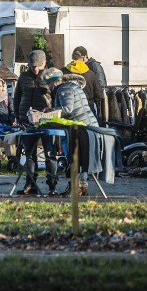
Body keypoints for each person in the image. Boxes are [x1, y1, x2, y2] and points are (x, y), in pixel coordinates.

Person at [42, 67, 99, 197]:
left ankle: (75, 186)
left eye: (49, 83)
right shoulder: (73, 86)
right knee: (82, 157)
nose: (49, 87)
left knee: (74, 157)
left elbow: (67, 109)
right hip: (89, 126)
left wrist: (49, 111)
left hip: (80, 128)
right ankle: (82, 185)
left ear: (54, 81)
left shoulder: (64, 89)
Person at [13, 50, 54, 195]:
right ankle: (30, 184)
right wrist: (17, 115)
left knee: (50, 154)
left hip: (46, 121)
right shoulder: (23, 77)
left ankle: (52, 186)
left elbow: (56, 99)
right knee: (29, 154)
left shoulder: (51, 77)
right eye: (32, 66)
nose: (35, 69)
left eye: (37, 66)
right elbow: (17, 97)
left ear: (44, 64)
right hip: (26, 121)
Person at [64, 47, 105, 118]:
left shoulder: (63, 72)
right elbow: (99, 95)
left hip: (68, 111)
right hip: (87, 111)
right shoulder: (91, 74)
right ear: (83, 57)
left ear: (72, 56)